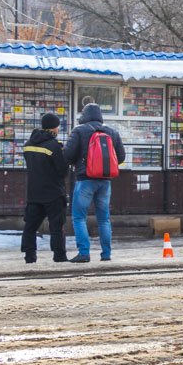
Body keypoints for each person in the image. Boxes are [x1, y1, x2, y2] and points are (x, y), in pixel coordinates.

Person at [63, 102, 125, 263]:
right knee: (104, 218)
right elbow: (121, 157)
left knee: (79, 217)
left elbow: (67, 155)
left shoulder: (79, 130)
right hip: (105, 182)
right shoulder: (112, 132)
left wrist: (79, 161)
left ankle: (84, 253)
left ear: (84, 115)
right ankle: (106, 254)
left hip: (85, 180)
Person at [21, 113, 70, 264]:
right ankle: (59, 256)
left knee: (30, 227)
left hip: (34, 193)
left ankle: (30, 257)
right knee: (56, 227)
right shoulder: (54, 146)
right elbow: (63, 171)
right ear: (54, 128)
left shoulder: (28, 144)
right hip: (53, 194)